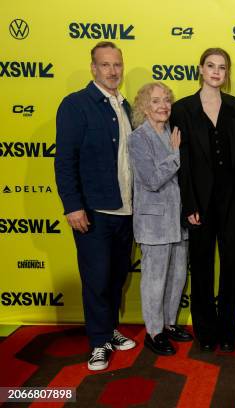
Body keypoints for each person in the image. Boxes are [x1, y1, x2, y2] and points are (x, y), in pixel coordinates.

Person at [55, 41, 136, 371]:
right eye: (105, 65)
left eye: (117, 65)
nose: (112, 71)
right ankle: (97, 343)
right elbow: (65, 161)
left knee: (117, 277)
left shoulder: (127, 106)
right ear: (93, 68)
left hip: (127, 210)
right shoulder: (77, 104)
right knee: (97, 278)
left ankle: (109, 329)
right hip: (94, 212)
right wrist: (73, 206)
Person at [170, 48, 235, 353]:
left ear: (227, 74)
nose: (216, 71)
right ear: (200, 69)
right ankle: (206, 331)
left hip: (232, 201)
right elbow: (182, 161)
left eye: (222, 67)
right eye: (210, 66)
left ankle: (227, 329)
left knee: (229, 266)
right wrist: (189, 205)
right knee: (201, 267)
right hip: (199, 202)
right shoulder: (183, 109)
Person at [128, 82, 193, 356]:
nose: (163, 105)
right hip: (153, 223)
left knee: (177, 276)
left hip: (178, 220)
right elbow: (152, 179)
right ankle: (154, 332)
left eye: (167, 100)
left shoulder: (171, 131)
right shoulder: (138, 138)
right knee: (155, 280)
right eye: (156, 101)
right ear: (144, 106)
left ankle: (168, 323)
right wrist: (176, 154)